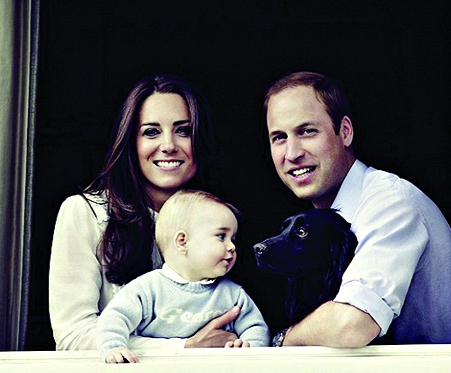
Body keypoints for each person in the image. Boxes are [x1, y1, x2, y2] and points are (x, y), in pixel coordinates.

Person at [49, 74, 241, 350]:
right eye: (151, 131)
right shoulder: (84, 212)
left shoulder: (221, 219)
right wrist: (184, 347)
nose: (168, 145)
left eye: (183, 130)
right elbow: (74, 337)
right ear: (130, 142)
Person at [263, 71, 451, 347]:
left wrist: (285, 339)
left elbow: (351, 325)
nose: (292, 153)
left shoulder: (390, 202)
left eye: (307, 131)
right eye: (279, 137)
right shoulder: (323, 225)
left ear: (346, 132)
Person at [97, 190, 270, 363]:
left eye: (233, 238)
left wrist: (248, 350)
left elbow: (256, 328)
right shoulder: (147, 289)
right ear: (182, 242)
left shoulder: (233, 294)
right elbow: (114, 318)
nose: (232, 246)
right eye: (221, 236)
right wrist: (114, 347)